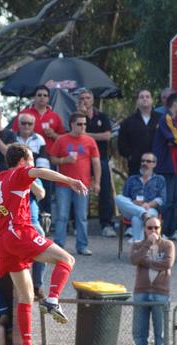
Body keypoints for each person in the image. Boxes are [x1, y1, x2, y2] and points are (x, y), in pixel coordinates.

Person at [0, 144, 88, 345]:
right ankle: (53, 299)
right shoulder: (20, 173)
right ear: (24, 161)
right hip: (19, 233)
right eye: (31, 159)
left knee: (26, 297)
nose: (33, 163)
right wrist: (70, 180)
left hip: (3, 244)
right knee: (67, 260)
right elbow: (41, 173)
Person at [48, 112, 101, 255]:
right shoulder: (62, 140)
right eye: (79, 124)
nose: (82, 127)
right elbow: (52, 158)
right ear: (72, 124)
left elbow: (96, 162)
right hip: (64, 184)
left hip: (82, 184)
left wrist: (97, 182)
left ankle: (82, 246)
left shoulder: (89, 141)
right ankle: (59, 245)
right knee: (62, 216)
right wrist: (64, 160)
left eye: (84, 124)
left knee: (82, 216)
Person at [129, 216, 174, 345]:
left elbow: (167, 264)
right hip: (141, 292)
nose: (153, 231)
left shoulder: (168, 245)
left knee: (160, 334)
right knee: (139, 333)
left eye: (156, 227)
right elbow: (134, 260)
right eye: (150, 228)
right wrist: (147, 244)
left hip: (160, 293)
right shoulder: (137, 244)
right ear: (144, 229)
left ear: (161, 229)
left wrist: (146, 262)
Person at [153, 92, 177, 241]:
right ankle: (160, 231)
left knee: (175, 200)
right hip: (165, 164)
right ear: (174, 104)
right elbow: (176, 139)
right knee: (166, 200)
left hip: (175, 164)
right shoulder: (166, 119)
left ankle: (171, 230)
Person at [77, 88, 115, 237]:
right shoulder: (76, 118)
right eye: (82, 98)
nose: (85, 101)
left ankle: (106, 224)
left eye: (87, 98)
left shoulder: (102, 116)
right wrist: (81, 116)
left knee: (105, 191)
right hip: (82, 159)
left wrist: (87, 135)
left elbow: (107, 136)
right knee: (78, 189)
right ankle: (76, 222)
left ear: (92, 100)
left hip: (100, 159)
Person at [115, 152, 166, 242]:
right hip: (132, 209)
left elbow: (162, 199)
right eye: (142, 161)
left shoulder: (159, 179)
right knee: (118, 197)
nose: (144, 163)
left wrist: (149, 205)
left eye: (148, 161)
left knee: (136, 219)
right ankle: (142, 214)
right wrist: (133, 202)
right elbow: (125, 198)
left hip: (150, 210)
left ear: (154, 164)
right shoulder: (132, 179)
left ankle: (138, 247)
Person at [11, 85, 66, 154]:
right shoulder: (24, 114)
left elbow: (63, 139)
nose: (42, 97)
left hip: (50, 155)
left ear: (48, 98)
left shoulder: (55, 116)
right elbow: (13, 135)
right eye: (39, 95)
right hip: (27, 154)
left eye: (45, 95)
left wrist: (53, 134)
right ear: (34, 97)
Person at [118, 89, 160, 176]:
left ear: (152, 100)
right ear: (137, 101)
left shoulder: (161, 119)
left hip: (158, 165)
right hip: (136, 166)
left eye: (147, 97)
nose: (145, 99)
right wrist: (131, 156)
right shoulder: (128, 122)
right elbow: (122, 144)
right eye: (141, 97)